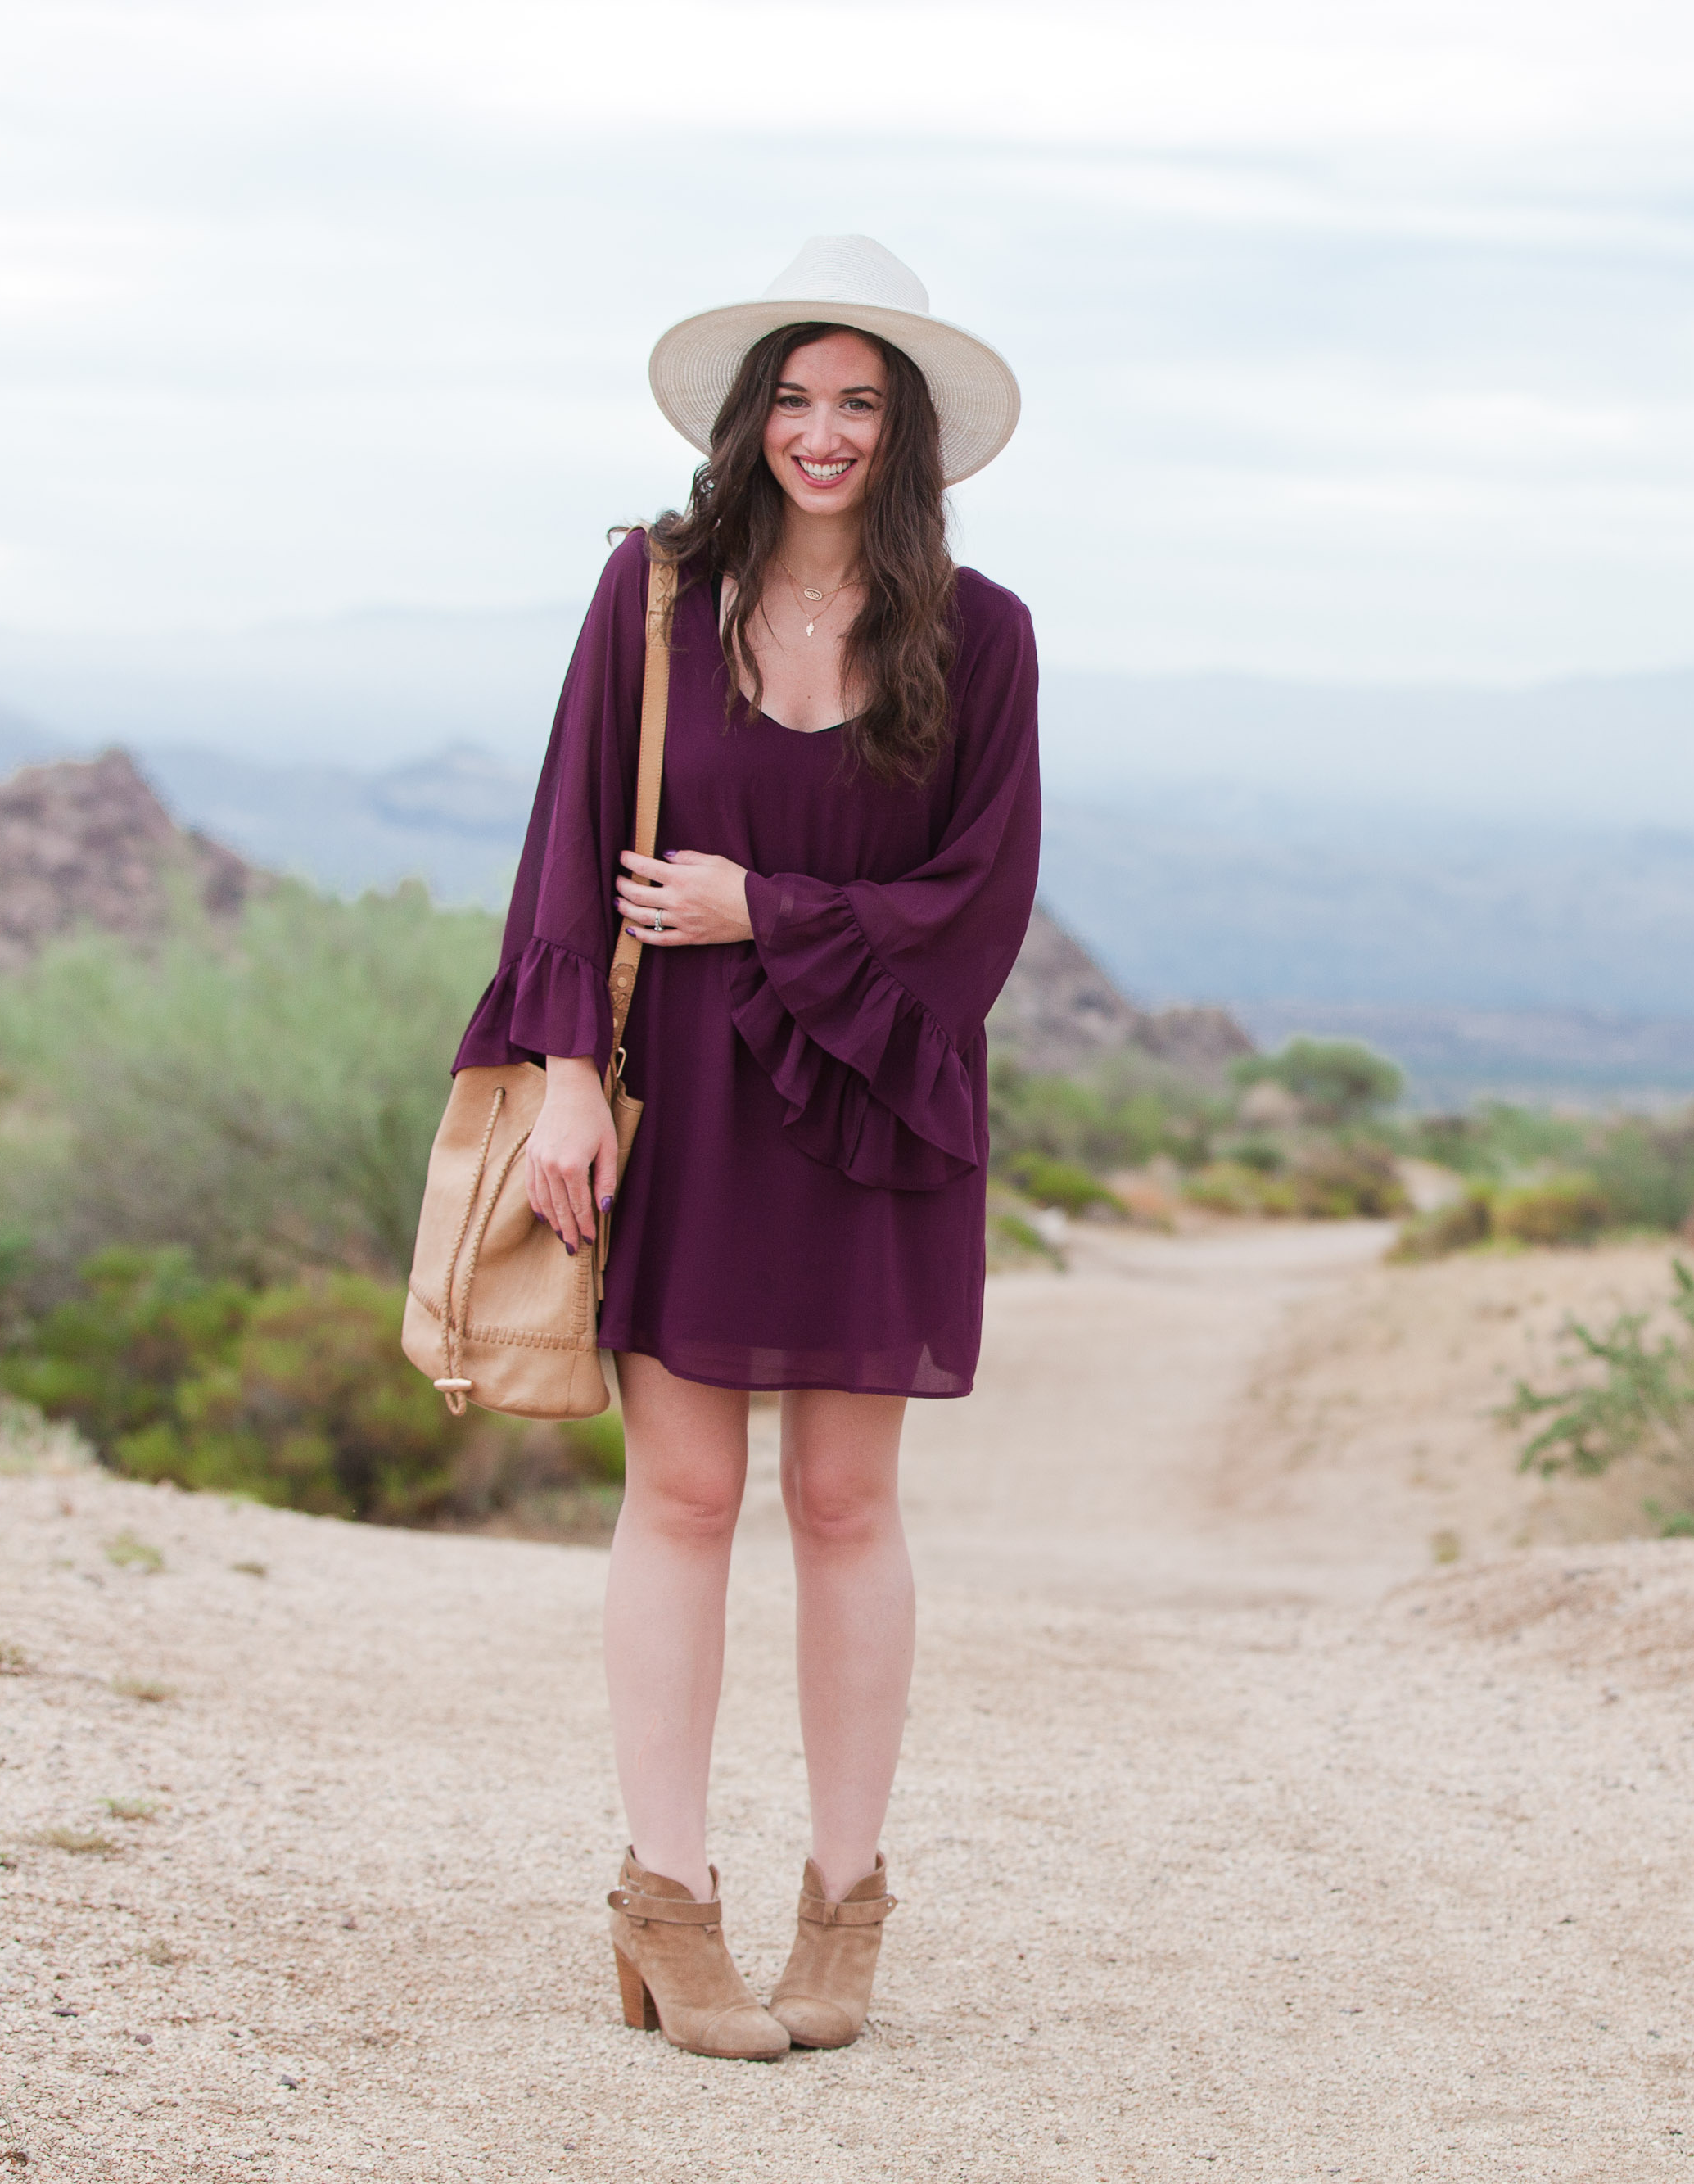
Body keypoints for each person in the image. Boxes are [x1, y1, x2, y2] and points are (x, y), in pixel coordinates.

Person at [450, 237, 1036, 2060]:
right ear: (747, 413)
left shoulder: (984, 632)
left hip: (873, 1097)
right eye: (795, 393)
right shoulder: (648, 592)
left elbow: (976, 909)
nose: (823, 429)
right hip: (680, 1097)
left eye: (860, 399)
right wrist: (562, 1074)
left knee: (848, 1504)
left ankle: (842, 1907)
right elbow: (565, 842)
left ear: (908, 424)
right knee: (682, 1495)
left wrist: (759, 906)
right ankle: (664, 1901)